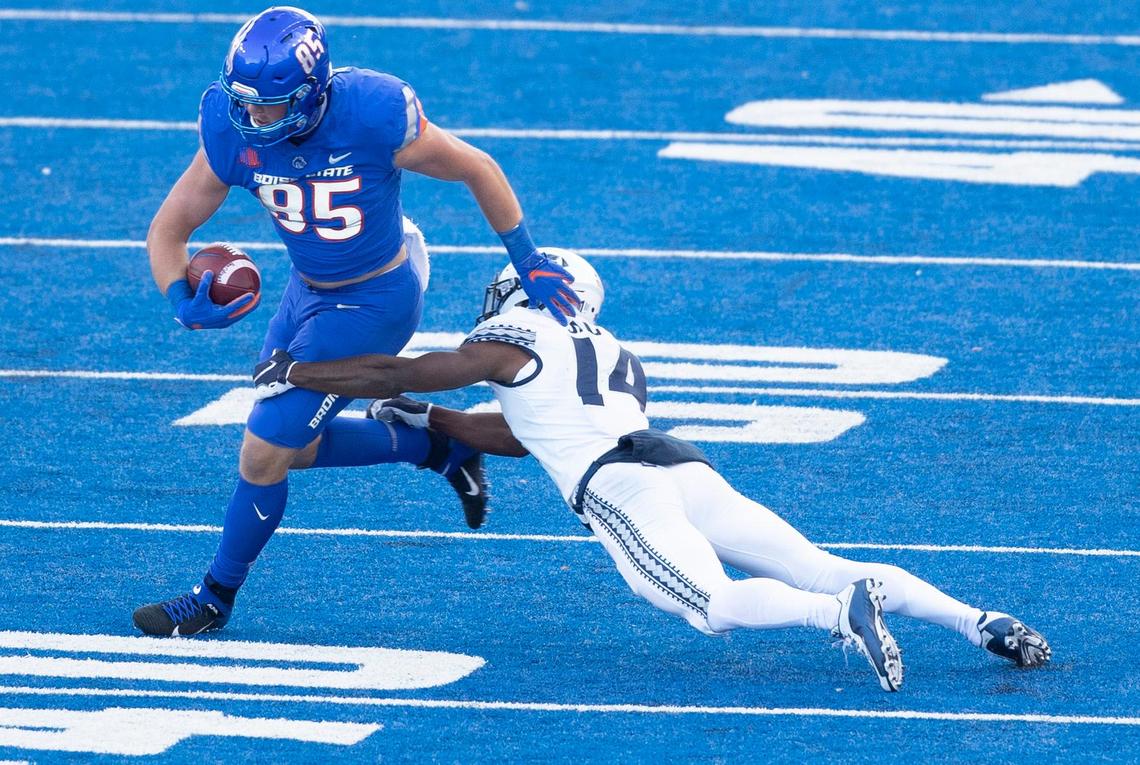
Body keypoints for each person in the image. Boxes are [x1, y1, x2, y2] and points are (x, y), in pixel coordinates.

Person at [251, 249, 1051, 691]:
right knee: (816, 560)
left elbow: (403, 371)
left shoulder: (511, 336)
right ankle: (979, 620)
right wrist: (437, 423)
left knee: (714, 607)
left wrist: (300, 372)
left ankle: (838, 615)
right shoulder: (613, 351)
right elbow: (531, 433)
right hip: (679, 462)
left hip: (621, 484)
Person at [134, 6, 582, 637]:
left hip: (375, 298)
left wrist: (527, 257)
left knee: (263, 450)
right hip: (306, 293)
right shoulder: (234, 126)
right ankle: (436, 445)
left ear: (311, 94)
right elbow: (170, 227)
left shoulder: (371, 111)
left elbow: (476, 166)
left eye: (268, 104)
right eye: (245, 102)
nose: (253, 118)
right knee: (294, 447)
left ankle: (214, 598)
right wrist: (179, 296)